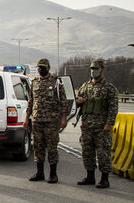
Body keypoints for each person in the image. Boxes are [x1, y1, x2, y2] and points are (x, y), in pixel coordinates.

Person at [76, 59, 118, 189]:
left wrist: (109, 124)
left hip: (101, 127)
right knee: (87, 152)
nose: (93, 71)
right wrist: (79, 101)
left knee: (103, 153)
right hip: (87, 125)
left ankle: (104, 179)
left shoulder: (109, 88)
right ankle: (90, 176)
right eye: (92, 69)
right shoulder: (85, 86)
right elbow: (77, 103)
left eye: (96, 69)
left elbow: (113, 107)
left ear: (102, 70)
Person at [24, 58, 68, 183]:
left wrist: (63, 118)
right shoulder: (34, 83)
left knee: (52, 148)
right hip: (37, 120)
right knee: (38, 147)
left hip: (51, 121)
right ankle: (40, 173)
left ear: (48, 68)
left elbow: (63, 102)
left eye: (43, 67)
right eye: (39, 67)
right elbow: (30, 102)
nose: (40, 69)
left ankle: (53, 174)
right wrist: (26, 119)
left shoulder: (56, 82)